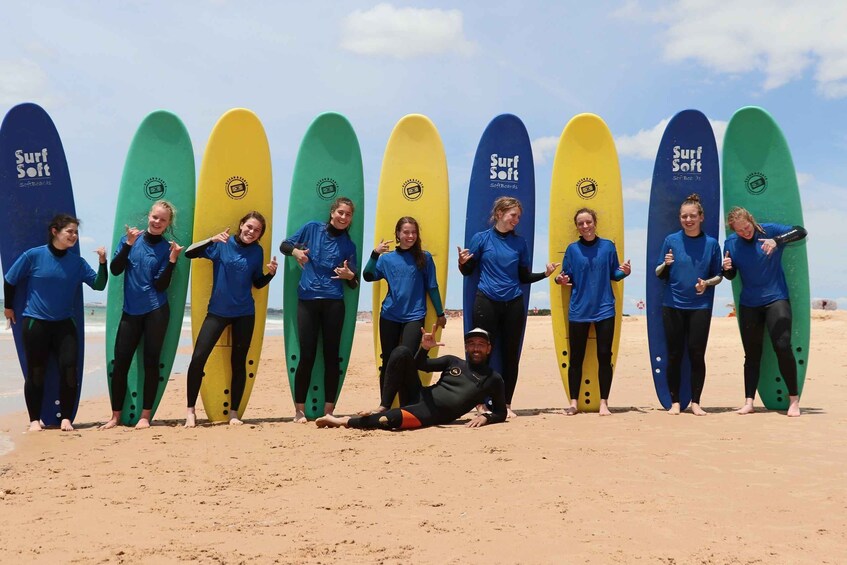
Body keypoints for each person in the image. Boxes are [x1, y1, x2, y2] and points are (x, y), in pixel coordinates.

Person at [3, 214, 107, 431]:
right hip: (36, 323)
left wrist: (103, 262)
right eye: (70, 231)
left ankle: (66, 419)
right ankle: (34, 420)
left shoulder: (77, 263)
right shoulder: (33, 256)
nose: (74, 236)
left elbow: (98, 285)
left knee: (69, 370)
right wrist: (9, 307)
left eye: (76, 232)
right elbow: (10, 279)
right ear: (55, 232)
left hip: (65, 325)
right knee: (36, 372)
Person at [458, 196, 557, 418]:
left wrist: (545, 274)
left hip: (513, 302)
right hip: (486, 301)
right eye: (513, 215)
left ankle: (507, 403)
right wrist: (462, 262)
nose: (516, 220)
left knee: (510, 355)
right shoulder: (481, 239)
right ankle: (480, 403)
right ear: (499, 214)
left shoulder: (519, 243)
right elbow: (468, 271)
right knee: (480, 354)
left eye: (519, 217)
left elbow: (523, 276)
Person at [183, 211, 277, 427]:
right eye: (249, 227)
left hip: (244, 313)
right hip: (217, 311)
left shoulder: (257, 251)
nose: (252, 232)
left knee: (239, 362)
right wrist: (212, 239)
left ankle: (234, 413)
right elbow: (189, 253)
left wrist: (270, 274)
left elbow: (257, 283)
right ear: (241, 225)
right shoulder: (222, 244)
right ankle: (190, 411)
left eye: (257, 230)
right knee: (198, 358)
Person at [315, 326, 507, 430]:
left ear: (489, 349)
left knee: (387, 421)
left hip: (432, 415)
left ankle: (343, 421)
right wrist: (424, 349)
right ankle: (384, 404)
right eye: (471, 343)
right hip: (419, 396)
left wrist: (486, 416)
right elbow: (419, 365)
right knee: (401, 352)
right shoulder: (453, 361)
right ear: (466, 347)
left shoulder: (493, 379)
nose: (476, 348)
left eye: (481, 344)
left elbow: (501, 412)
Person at [101, 201, 184, 430]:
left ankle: (145, 416)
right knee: (120, 364)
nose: (157, 222)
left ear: (168, 224)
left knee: (151, 363)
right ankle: (115, 416)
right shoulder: (131, 239)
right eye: (155, 217)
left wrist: (172, 260)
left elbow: (160, 285)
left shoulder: (167, 248)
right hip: (130, 311)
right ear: (149, 216)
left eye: (163, 220)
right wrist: (127, 244)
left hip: (156, 310)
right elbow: (116, 269)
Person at [722, 206, 807, 417]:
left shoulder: (769, 231)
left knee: (782, 345)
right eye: (739, 230)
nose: (745, 232)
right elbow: (731, 276)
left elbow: (801, 231)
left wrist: (777, 241)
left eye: (746, 227)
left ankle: (794, 400)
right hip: (749, 303)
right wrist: (727, 268)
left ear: (751, 220)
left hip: (777, 298)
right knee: (751, 354)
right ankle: (749, 401)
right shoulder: (731, 243)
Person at [281, 196, 359, 423]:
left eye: (348, 214)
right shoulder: (312, 228)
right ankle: (299, 411)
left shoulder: (348, 244)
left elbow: (353, 282)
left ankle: (329, 410)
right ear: (332, 212)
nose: (344, 217)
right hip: (307, 300)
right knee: (307, 354)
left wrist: (350, 275)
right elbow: (285, 245)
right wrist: (296, 252)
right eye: (341, 212)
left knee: (332, 356)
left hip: (334, 302)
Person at [363, 216, 446, 410]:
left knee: (406, 357)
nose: (410, 236)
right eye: (406, 232)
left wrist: (440, 312)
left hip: (414, 315)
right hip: (389, 314)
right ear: (398, 234)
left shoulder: (424, 257)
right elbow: (368, 276)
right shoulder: (387, 259)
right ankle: (385, 404)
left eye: (413, 232)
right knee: (388, 359)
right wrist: (375, 253)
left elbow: (432, 287)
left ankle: (408, 404)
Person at [555, 207, 630, 416]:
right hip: (578, 310)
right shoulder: (572, 250)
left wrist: (624, 272)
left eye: (588, 222)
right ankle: (573, 403)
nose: (585, 226)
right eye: (581, 223)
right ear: (577, 227)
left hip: (605, 309)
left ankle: (604, 402)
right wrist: (559, 279)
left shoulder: (607, 247)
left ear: (594, 223)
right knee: (576, 358)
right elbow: (564, 276)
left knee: (604, 356)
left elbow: (614, 274)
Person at [655, 194, 723, 416]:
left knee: (696, 354)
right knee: (674, 354)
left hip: (699, 307)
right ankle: (675, 402)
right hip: (672, 305)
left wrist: (707, 283)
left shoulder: (711, 244)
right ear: (680, 218)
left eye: (692, 216)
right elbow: (658, 273)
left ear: (701, 217)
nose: (688, 219)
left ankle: (695, 402)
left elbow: (719, 275)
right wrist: (665, 264)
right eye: (684, 216)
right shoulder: (671, 240)